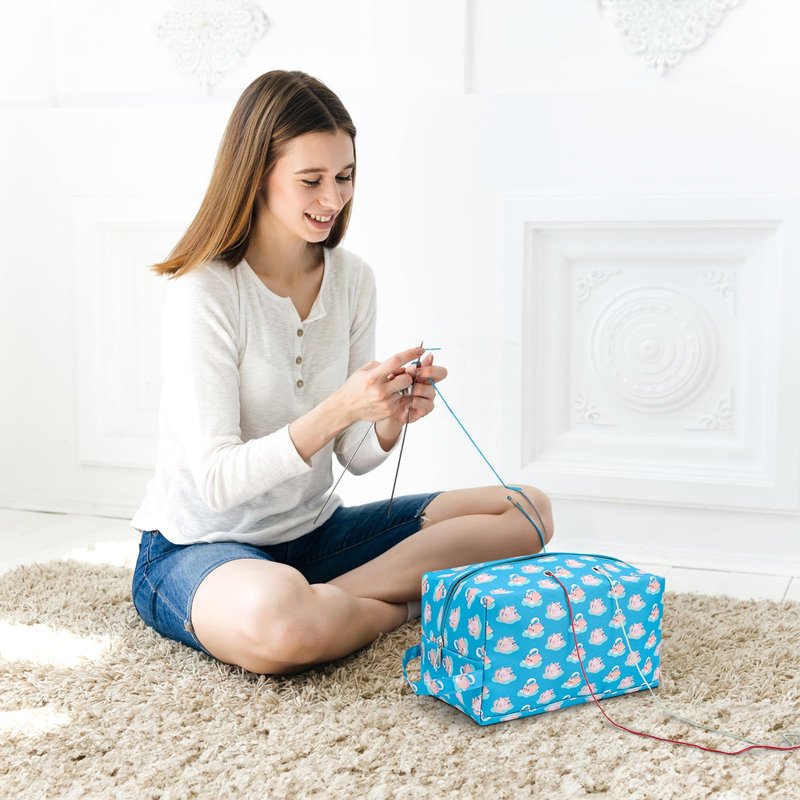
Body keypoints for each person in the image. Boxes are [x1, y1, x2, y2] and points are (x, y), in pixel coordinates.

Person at [130, 70, 554, 676]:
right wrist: (340, 408)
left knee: (527, 509)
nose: (333, 198)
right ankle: (394, 605)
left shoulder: (352, 279)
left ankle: (337, 599)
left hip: (315, 537)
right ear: (256, 174)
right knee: (280, 622)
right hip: (200, 549)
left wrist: (385, 419)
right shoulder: (206, 289)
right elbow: (219, 482)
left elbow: (353, 457)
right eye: (311, 180)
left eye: (345, 176)